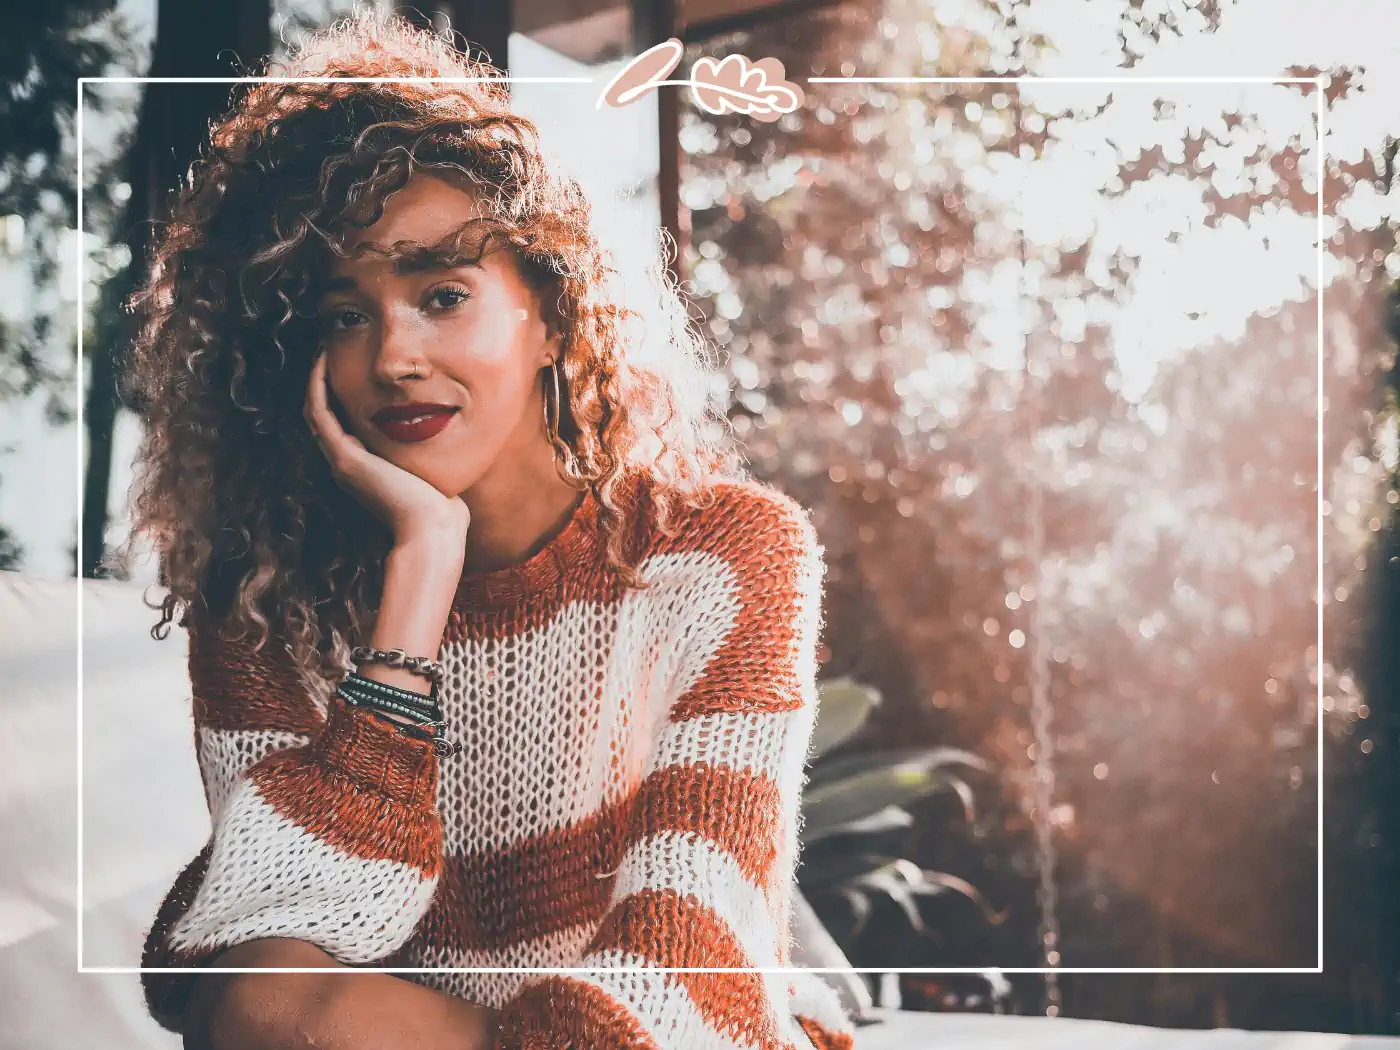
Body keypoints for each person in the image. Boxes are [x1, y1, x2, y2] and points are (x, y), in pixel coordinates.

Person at [117, 10, 856, 1050]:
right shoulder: (264, 605)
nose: (394, 356)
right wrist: (413, 599)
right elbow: (263, 965)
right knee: (258, 1002)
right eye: (339, 315)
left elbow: (694, 948)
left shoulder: (725, 554)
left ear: (551, 314)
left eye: (442, 292)